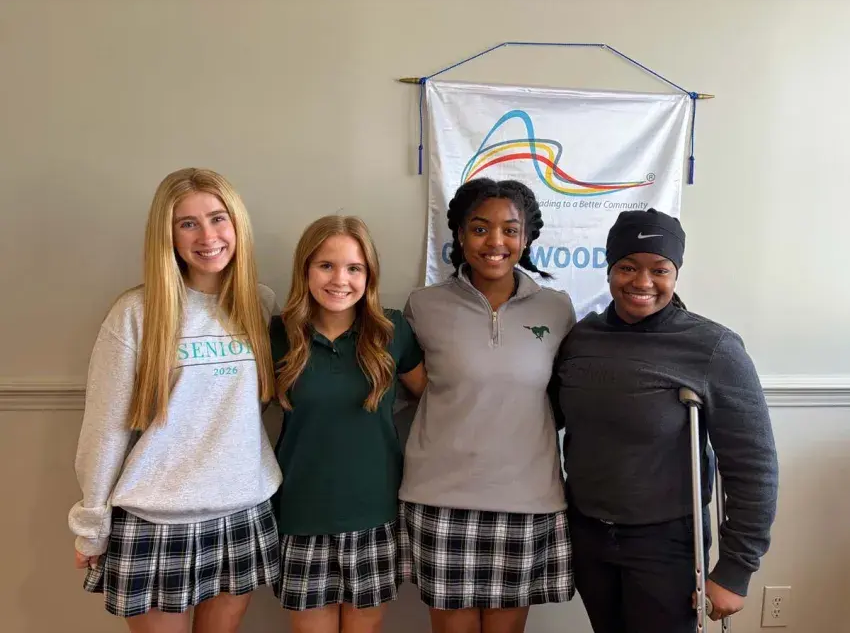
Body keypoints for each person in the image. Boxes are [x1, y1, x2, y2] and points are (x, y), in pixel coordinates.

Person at [68, 168, 282, 632]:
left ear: (237, 223)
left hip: (242, 509)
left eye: (218, 218)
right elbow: (105, 428)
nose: (208, 236)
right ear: (167, 235)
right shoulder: (136, 313)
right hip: (155, 518)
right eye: (188, 223)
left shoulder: (260, 304)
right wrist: (91, 523)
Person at [553, 208, 780, 633]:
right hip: (587, 534)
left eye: (659, 269)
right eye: (627, 267)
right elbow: (547, 418)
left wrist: (736, 569)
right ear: (609, 269)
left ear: (675, 274)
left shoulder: (712, 347)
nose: (642, 282)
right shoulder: (582, 339)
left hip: (667, 544)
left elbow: (753, 465)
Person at [398, 178, 576, 633]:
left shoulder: (556, 309)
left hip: (528, 499)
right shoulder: (423, 306)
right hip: (440, 498)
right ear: (459, 235)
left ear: (526, 237)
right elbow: (418, 388)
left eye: (510, 230)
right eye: (480, 228)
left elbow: (564, 397)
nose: (495, 241)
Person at [269, 215, 426, 633]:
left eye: (354, 268)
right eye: (326, 265)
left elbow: (431, 399)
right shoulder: (279, 334)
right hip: (301, 514)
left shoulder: (392, 331)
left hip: (375, 512)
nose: (340, 280)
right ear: (305, 269)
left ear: (369, 275)